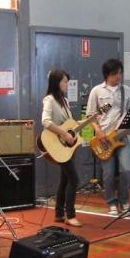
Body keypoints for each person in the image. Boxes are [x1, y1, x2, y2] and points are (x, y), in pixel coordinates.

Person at [87, 59, 130, 216]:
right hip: (104, 139)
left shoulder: (126, 90)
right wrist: (98, 131)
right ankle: (111, 202)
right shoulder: (96, 91)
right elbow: (90, 116)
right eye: (115, 74)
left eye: (120, 73)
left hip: (122, 138)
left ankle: (124, 201)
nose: (118, 76)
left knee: (126, 170)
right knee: (108, 173)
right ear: (107, 74)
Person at [41, 69, 82, 227]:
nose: (67, 85)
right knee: (74, 179)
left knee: (65, 179)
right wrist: (64, 134)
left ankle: (59, 213)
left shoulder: (64, 101)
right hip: (57, 145)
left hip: (67, 147)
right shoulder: (49, 100)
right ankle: (70, 215)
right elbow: (45, 121)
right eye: (65, 81)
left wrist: (88, 120)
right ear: (56, 83)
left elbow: (69, 123)